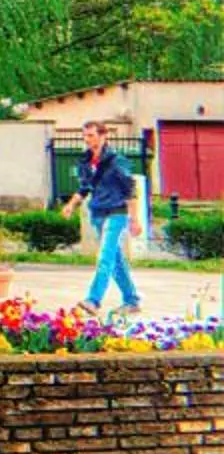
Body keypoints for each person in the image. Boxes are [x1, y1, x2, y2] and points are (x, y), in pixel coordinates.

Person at [73, 122, 142, 316]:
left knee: (105, 257)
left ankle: (93, 300)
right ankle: (131, 300)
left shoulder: (117, 160)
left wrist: (134, 219)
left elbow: (130, 190)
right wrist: (71, 205)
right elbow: (84, 188)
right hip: (98, 213)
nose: (88, 140)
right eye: (85, 136)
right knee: (115, 260)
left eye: (92, 135)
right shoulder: (85, 161)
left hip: (117, 213)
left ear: (103, 136)